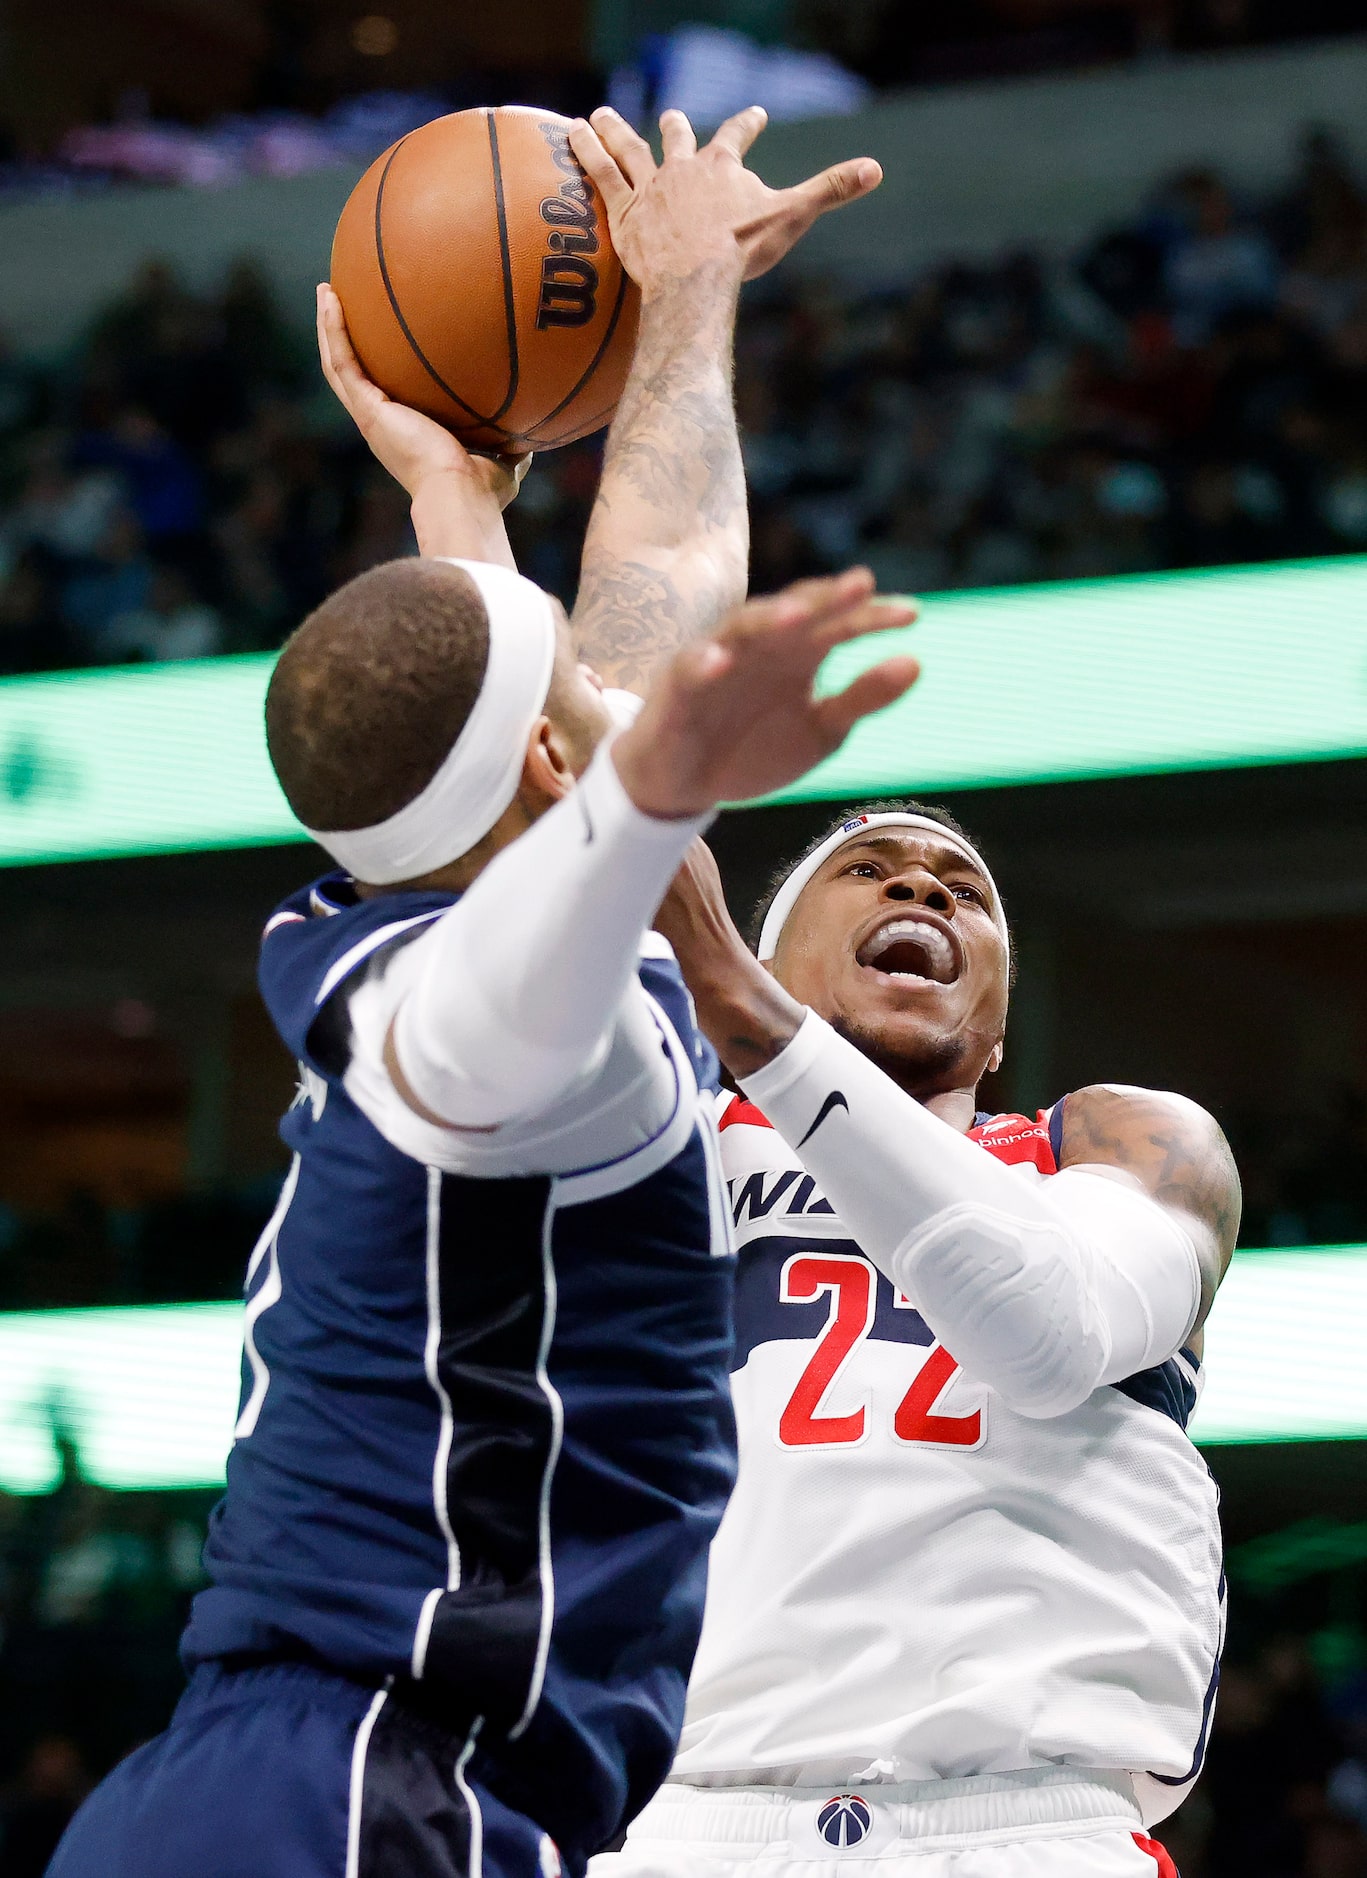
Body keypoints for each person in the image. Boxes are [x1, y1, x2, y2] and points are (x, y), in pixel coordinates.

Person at [46, 108, 909, 1878]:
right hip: (364, 1789)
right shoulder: (494, 1027)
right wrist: (658, 780)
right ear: (543, 753)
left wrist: (626, 358)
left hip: (275, 1781)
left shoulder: (394, 908)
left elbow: (643, 603)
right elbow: (510, 984)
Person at [596, 806, 1239, 1877]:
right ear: (766, 962)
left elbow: (1048, 1327)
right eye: (866, 870)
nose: (923, 890)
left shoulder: (1120, 1139)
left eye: (963, 889)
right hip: (683, 1820)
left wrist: (737, 999)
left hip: (1029, 1826)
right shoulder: (672, 1149)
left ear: (994, 1033)